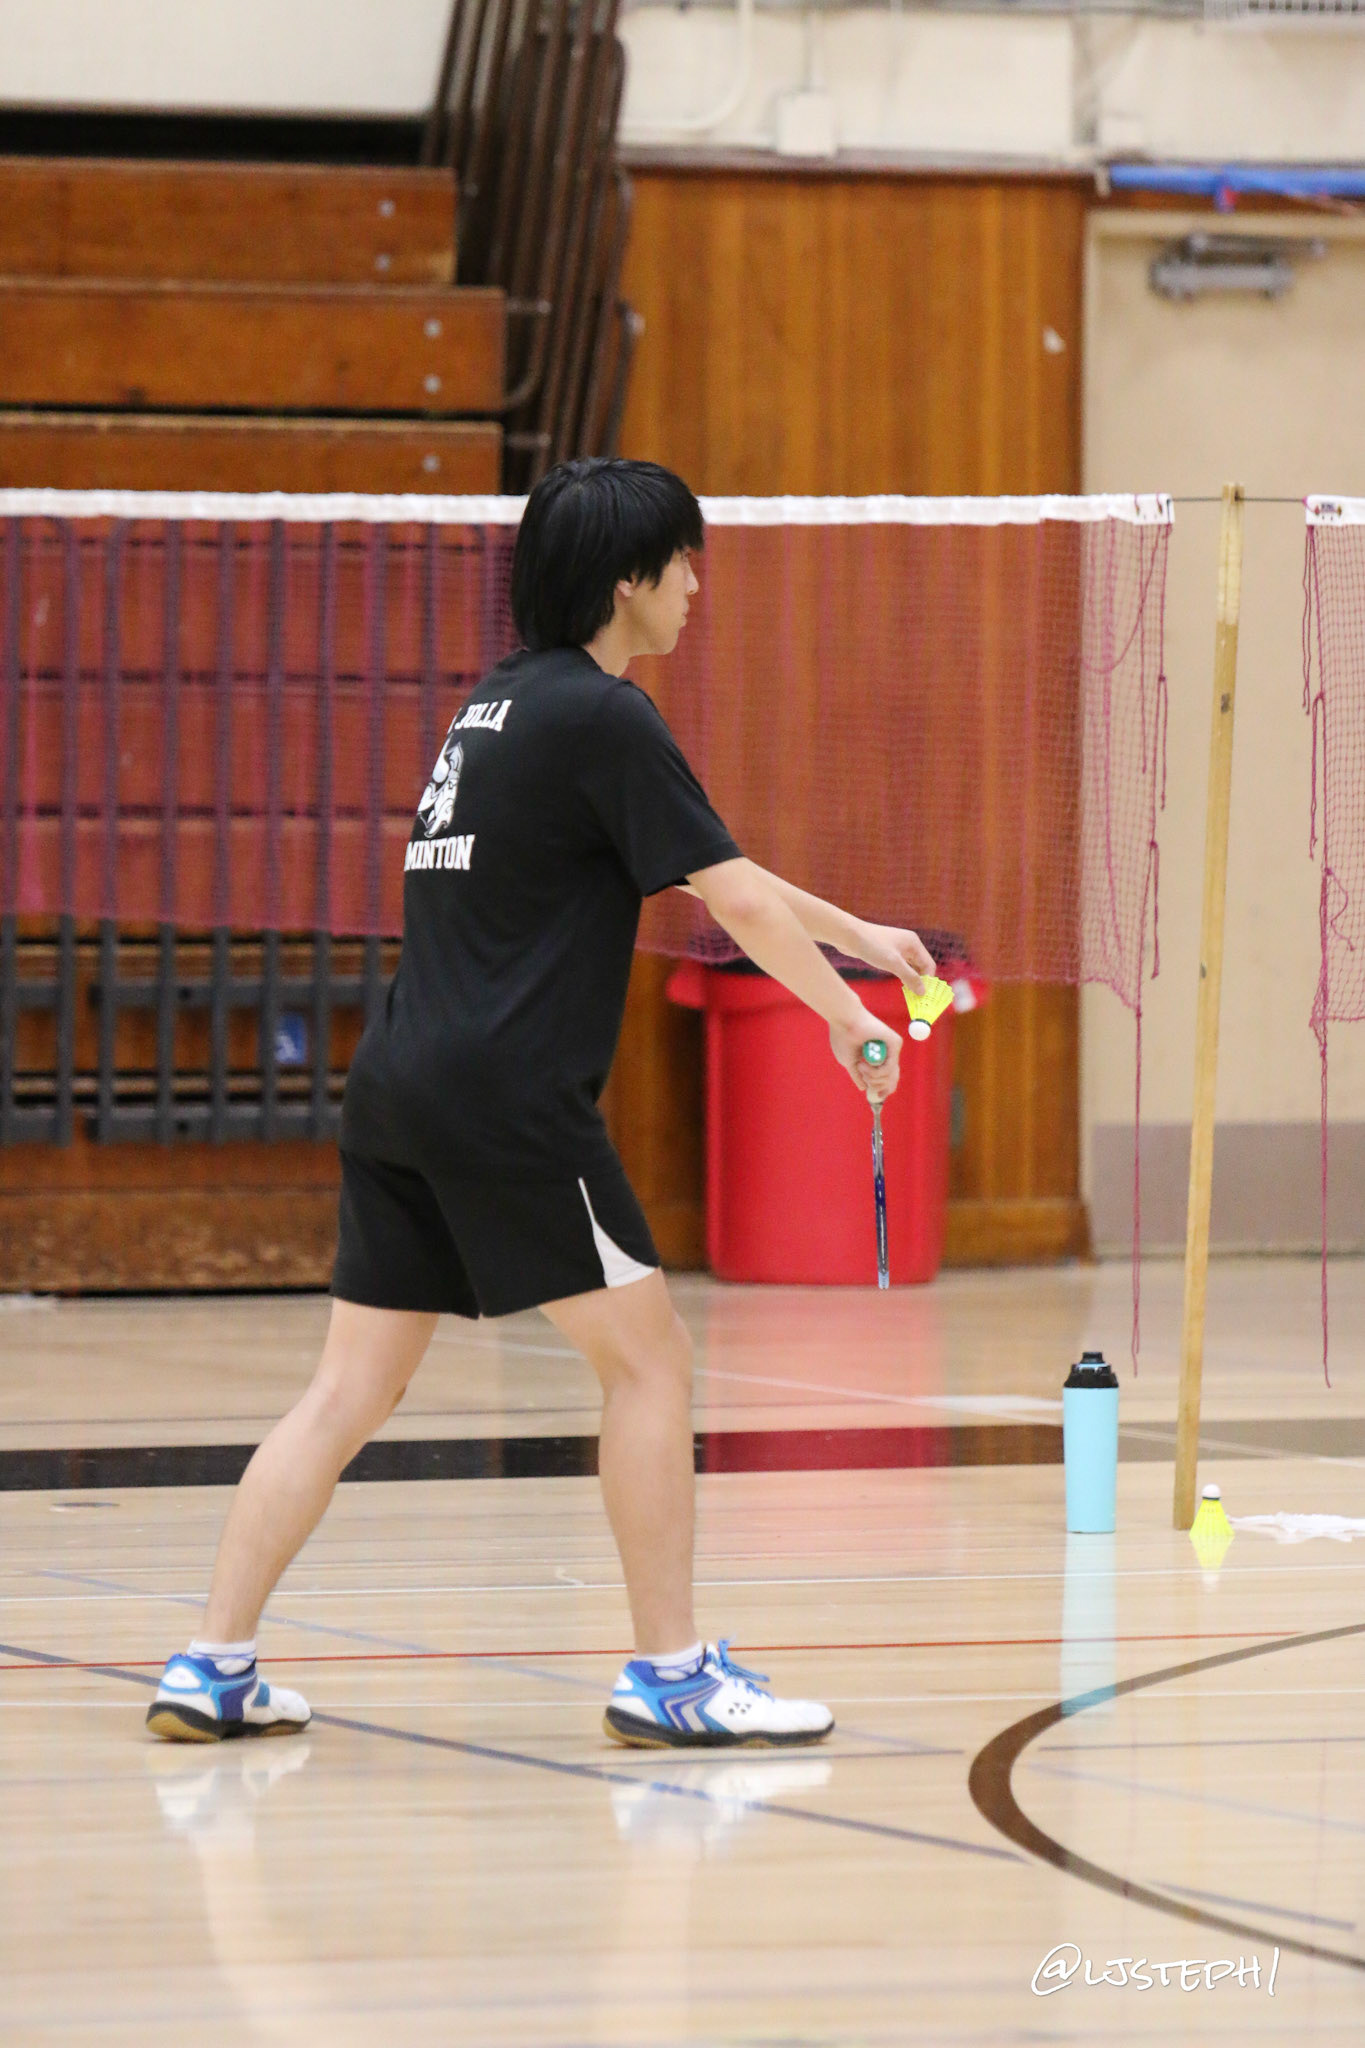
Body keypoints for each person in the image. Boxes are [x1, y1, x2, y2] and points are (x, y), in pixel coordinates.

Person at [146, 459, 933, 1751]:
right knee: (650, 1366)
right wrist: (846, 1015)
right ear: (627, 581)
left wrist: (859, 936)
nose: (696, 585)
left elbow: (717, 867)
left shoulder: (499, 708)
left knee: (347, 1390)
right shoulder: (608, 717)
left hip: (400, 1087)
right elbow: (730, 900)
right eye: (681, 562)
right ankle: (671, 1675)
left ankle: (211, 1662)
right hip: (508, 1102)